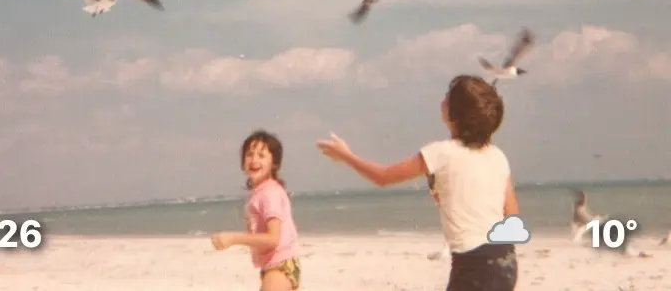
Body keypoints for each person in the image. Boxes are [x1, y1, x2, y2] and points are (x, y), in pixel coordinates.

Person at [317, 74, 519, 291]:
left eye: (448, 97)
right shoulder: (497, 155)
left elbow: (383, 177)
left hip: (473, 263)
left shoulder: (440, 153)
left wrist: (346, 156)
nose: (443, 100)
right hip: (505, 259)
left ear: (456, 115)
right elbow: (512, 213)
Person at [211, 129, 301, 290]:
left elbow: (273, 239)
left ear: (274, 163)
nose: (254, 160)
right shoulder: (259, 193)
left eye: (261, 155)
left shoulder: (269, 193)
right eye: (249, 154)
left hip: (280, 265)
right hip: (275, 266)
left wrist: (233, 238)